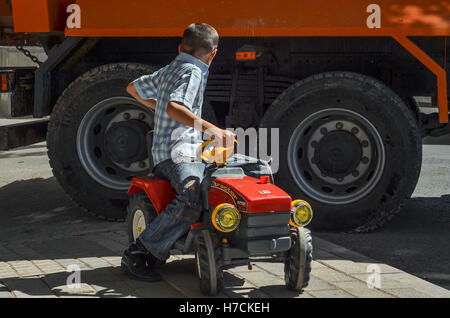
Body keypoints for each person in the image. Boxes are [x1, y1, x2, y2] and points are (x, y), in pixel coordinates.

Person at [121, 23, 236, 281]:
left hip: (176, 151)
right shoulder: (193, 71)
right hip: (177, 154)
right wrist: (214, 130)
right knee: (191, 195)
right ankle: (141, 252)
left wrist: (159, 107)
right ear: (213, 54)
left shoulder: (170, 69)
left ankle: (217, 238)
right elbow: (174, 108)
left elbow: (132, 88)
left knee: (232, 174)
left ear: (180, 47)